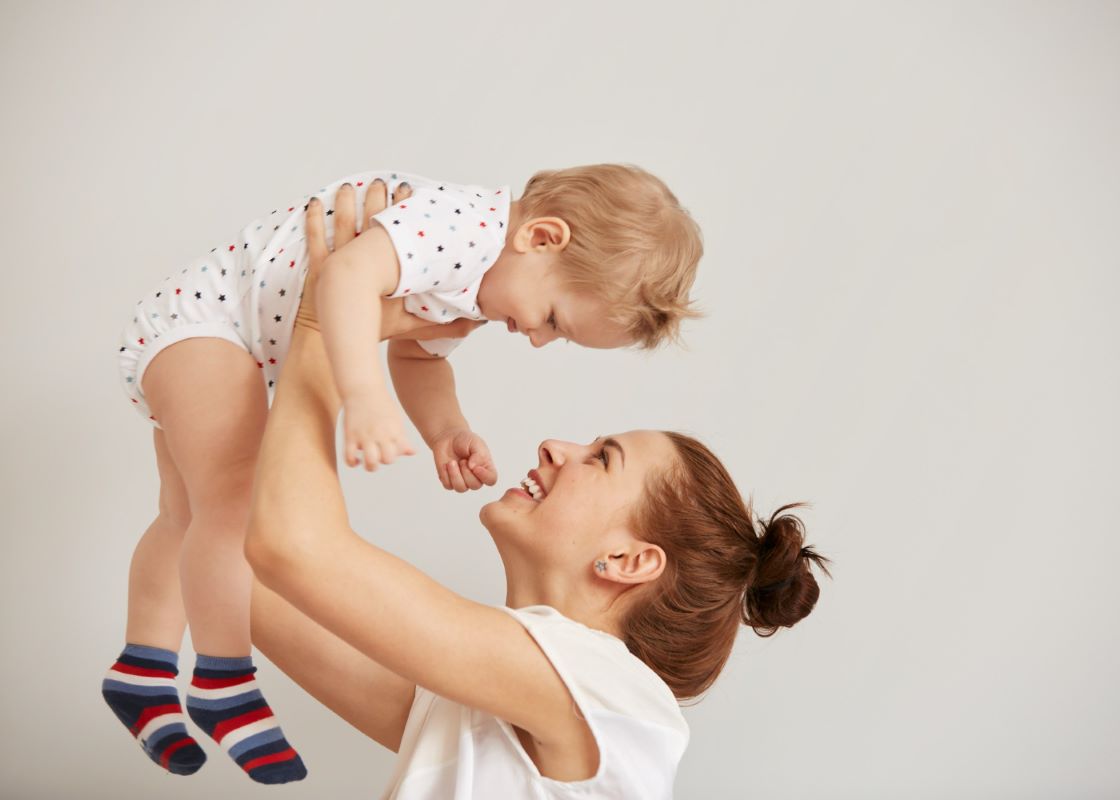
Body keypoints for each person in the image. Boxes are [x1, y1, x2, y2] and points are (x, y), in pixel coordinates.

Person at [102, 167, 703, 783]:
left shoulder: (593, 688)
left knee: (194, 517)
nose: (539, 340)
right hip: (214, 328)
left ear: (631, 561)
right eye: (552, 318)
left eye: (602, 460)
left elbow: (408, 356)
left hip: (226, 343)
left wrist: (442, 428)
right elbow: (343, 277)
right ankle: (221, 678)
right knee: (220, 509)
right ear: (542, 237)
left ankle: (143, 669)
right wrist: (361, 391)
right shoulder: (458, 235)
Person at [241, 183, 829, 798]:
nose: (554, 447)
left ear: (631, 561)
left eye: (602, 459)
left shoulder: (611, 695)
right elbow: (241, 570)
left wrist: (323, 320)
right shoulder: (481, 708)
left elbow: (289, 546)